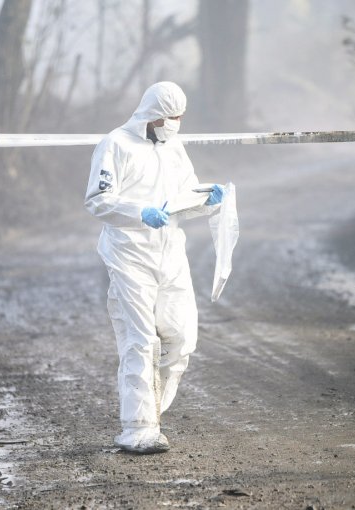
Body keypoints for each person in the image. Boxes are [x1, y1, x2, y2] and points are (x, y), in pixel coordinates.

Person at [85, 81, 224, 454]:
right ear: (151, 114)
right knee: (140, 340)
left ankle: (152, 410)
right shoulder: (115, 144)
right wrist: (138, 213)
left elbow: (182, 200)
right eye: (169, 118)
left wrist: (207, 200)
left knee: (180, 338)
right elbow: (98, 201)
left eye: (178, 118)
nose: (174, 124)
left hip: (170, 254)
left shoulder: (174, 148)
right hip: (129, 255)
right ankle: (138, 428)